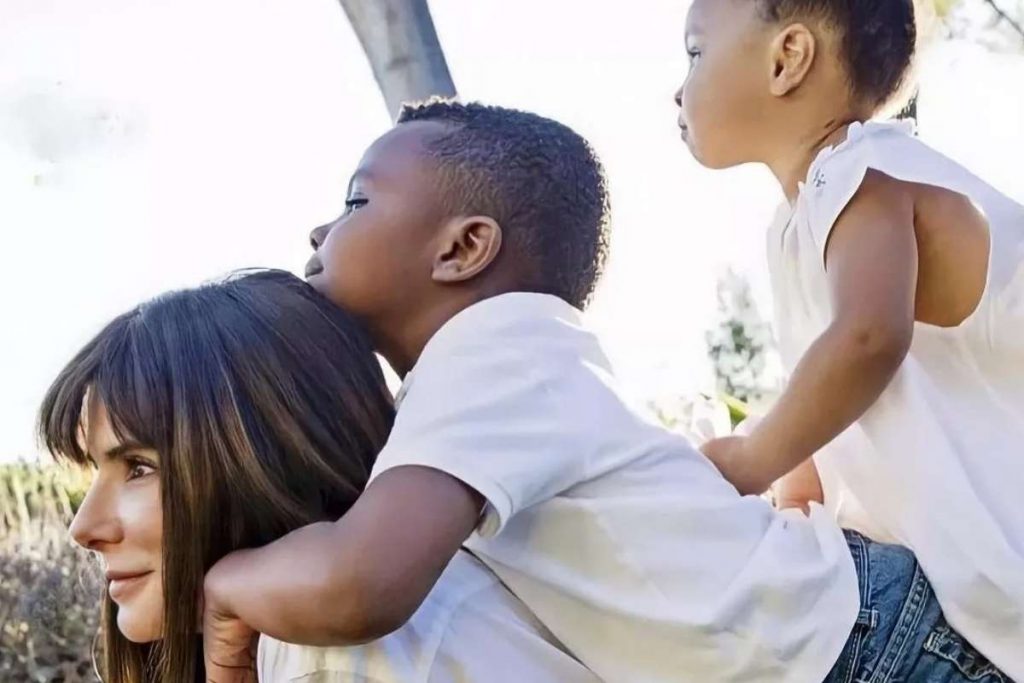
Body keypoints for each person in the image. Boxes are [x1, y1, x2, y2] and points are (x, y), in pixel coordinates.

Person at [203, 100, 1007, 682]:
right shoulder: (484, 374)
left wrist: (224, 587)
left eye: (355, 201)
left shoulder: (489, 352)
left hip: (865, 646)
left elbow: (361, 583)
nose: (320, 231)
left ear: (464, 248)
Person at [676, 0, 1024, 678]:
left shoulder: (861, 170)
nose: (679, 88)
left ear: (788, 59)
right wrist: (790, 507)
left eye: (694, 52)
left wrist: (747, 459)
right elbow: (823, 428)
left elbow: (868, 338)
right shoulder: (798, 227)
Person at [39, 270, 599, 682]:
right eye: (95, 471)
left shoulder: (341, 657)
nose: (84, 528)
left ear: (267, 460)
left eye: (139, 467)